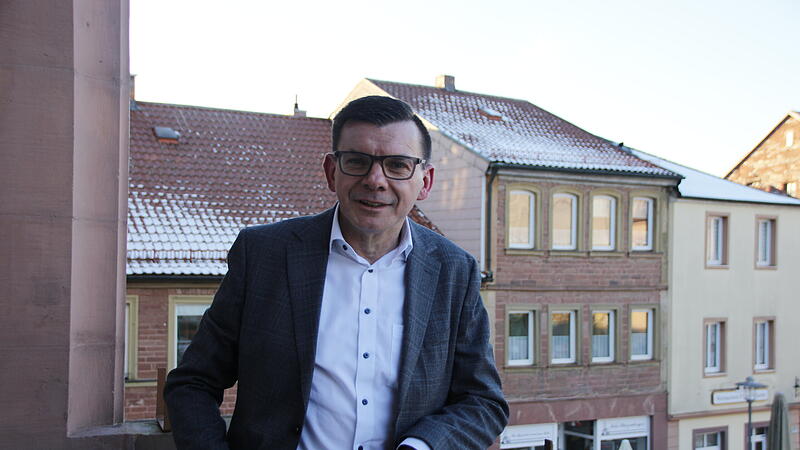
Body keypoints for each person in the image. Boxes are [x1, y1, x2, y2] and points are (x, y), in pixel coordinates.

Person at [164, 95, 509, 450]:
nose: (376, 180)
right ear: (332, 171)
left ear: (425, 180)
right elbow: (192, 383)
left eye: (398, 164)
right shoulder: (265, 255)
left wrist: (422, 447)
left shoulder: (454, 271)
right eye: (357, 161)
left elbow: (483, 403)